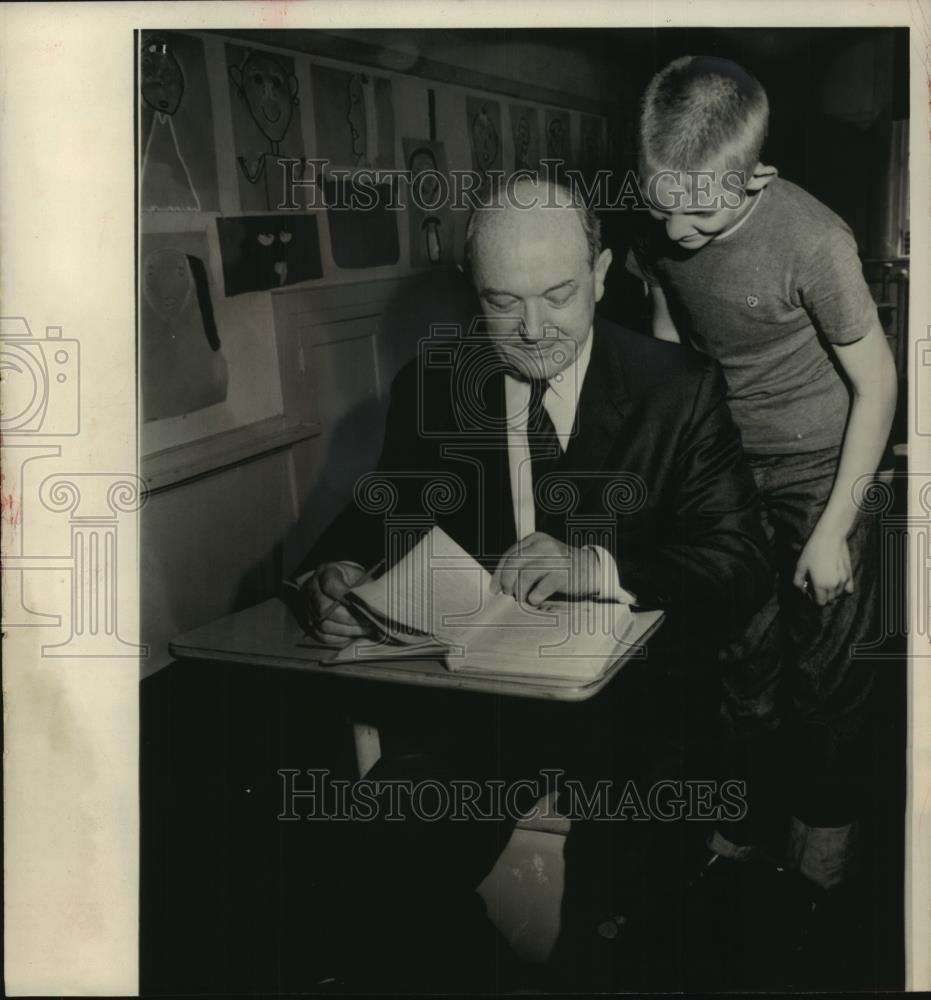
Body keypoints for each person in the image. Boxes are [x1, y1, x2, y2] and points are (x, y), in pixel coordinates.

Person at [295, 175, 774, 991]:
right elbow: (380, 517)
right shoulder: (435, 383)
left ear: (600, 273)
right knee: (379, 840)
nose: (531, 329)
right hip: (482, 700)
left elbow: (738, 563)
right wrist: (327, 575)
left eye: (557, 295)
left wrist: (597, 568)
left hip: (639, 706)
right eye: (501, 302)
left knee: (626, 908)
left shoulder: (676, 386)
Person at [627, 55, 898, 934]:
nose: (675, 225)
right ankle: (742, 820)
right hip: (730, 473)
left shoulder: (812, 239)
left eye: (698, 207)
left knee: (825, 670)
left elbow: (880, 388)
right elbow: (676, 351)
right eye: (659, 199)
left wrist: (833, 528)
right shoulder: (666, 223)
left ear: (759, 177)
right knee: (740, 665)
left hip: (826, 472)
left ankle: (824, 826)